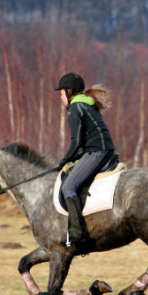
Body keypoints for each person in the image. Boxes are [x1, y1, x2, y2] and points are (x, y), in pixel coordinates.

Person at [55, 72, 116, 247]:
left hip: (97, 152)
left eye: (61, 93)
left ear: (69, 91)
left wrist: (63, 160)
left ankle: (77, 234)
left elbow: (76, 142)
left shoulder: (75, 108)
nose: (60, 97)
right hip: (104, 150)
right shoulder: (85, 104)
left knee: (68, 186)